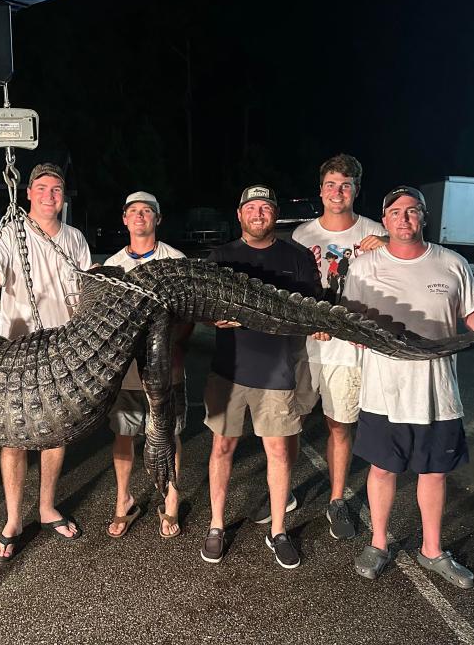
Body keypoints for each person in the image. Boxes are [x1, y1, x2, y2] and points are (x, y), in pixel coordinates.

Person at [343, 186, 474, 588]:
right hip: (384, 391)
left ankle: (433, 550)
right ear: (384, 220)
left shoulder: (451, 263)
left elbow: (471, 312)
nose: (404, 218)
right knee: (383, 468)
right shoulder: (365, 267)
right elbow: (349, 317)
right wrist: (351, 332)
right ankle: (379, 543)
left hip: (437, 391)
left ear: (424, 218)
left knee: (435, 472)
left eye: (413, 211)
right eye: (396, 211)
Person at [0, 162, 93, 560]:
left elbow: (86, 290)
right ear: (28, 193)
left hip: (62, 353)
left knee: (56, 433)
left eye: (56, 189)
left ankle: (46, 507)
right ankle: (12, 518)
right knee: (14, 437)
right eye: (41, 188)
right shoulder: (9, 234)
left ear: (63, 196)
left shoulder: (75, 239)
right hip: (18, 353)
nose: (48, 195)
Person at [200, 185, 319, 569]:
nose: (258, 213)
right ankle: (217, 526)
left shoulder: (296, 258)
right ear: (239, 215)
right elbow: (202, 305)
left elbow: (309, 311)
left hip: (277, 373)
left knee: (279, 452)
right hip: (228, 371)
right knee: (222, 448)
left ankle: (278, 531)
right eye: (251, 207)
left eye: (265, 207)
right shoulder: (220, 257)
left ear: (275, 214)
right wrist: (209, 316)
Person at [291, 153, 387, 540]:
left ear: (356, 190)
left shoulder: (376, 232)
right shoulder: (302, 235)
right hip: (304, 347)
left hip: (348, 350)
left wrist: (387, 243)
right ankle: (284, 494)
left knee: (339, 425)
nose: (337, 192)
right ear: (321, 190)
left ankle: (335, 498)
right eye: (331, 184)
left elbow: (408, 264)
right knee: (288, 423)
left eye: (345, 185)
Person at [102, 191, 191, 539]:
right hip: (126, 374)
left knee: (169, 434)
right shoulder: (112, 266)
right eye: (133, 211)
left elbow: (189, 313)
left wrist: (177, 346)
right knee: (124, 434)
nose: (140, 216)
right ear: (125, 219)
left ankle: (170, 500)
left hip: (166, 369)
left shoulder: (175, 259)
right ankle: (123, 499)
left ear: (157, 218)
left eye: (147, 211)